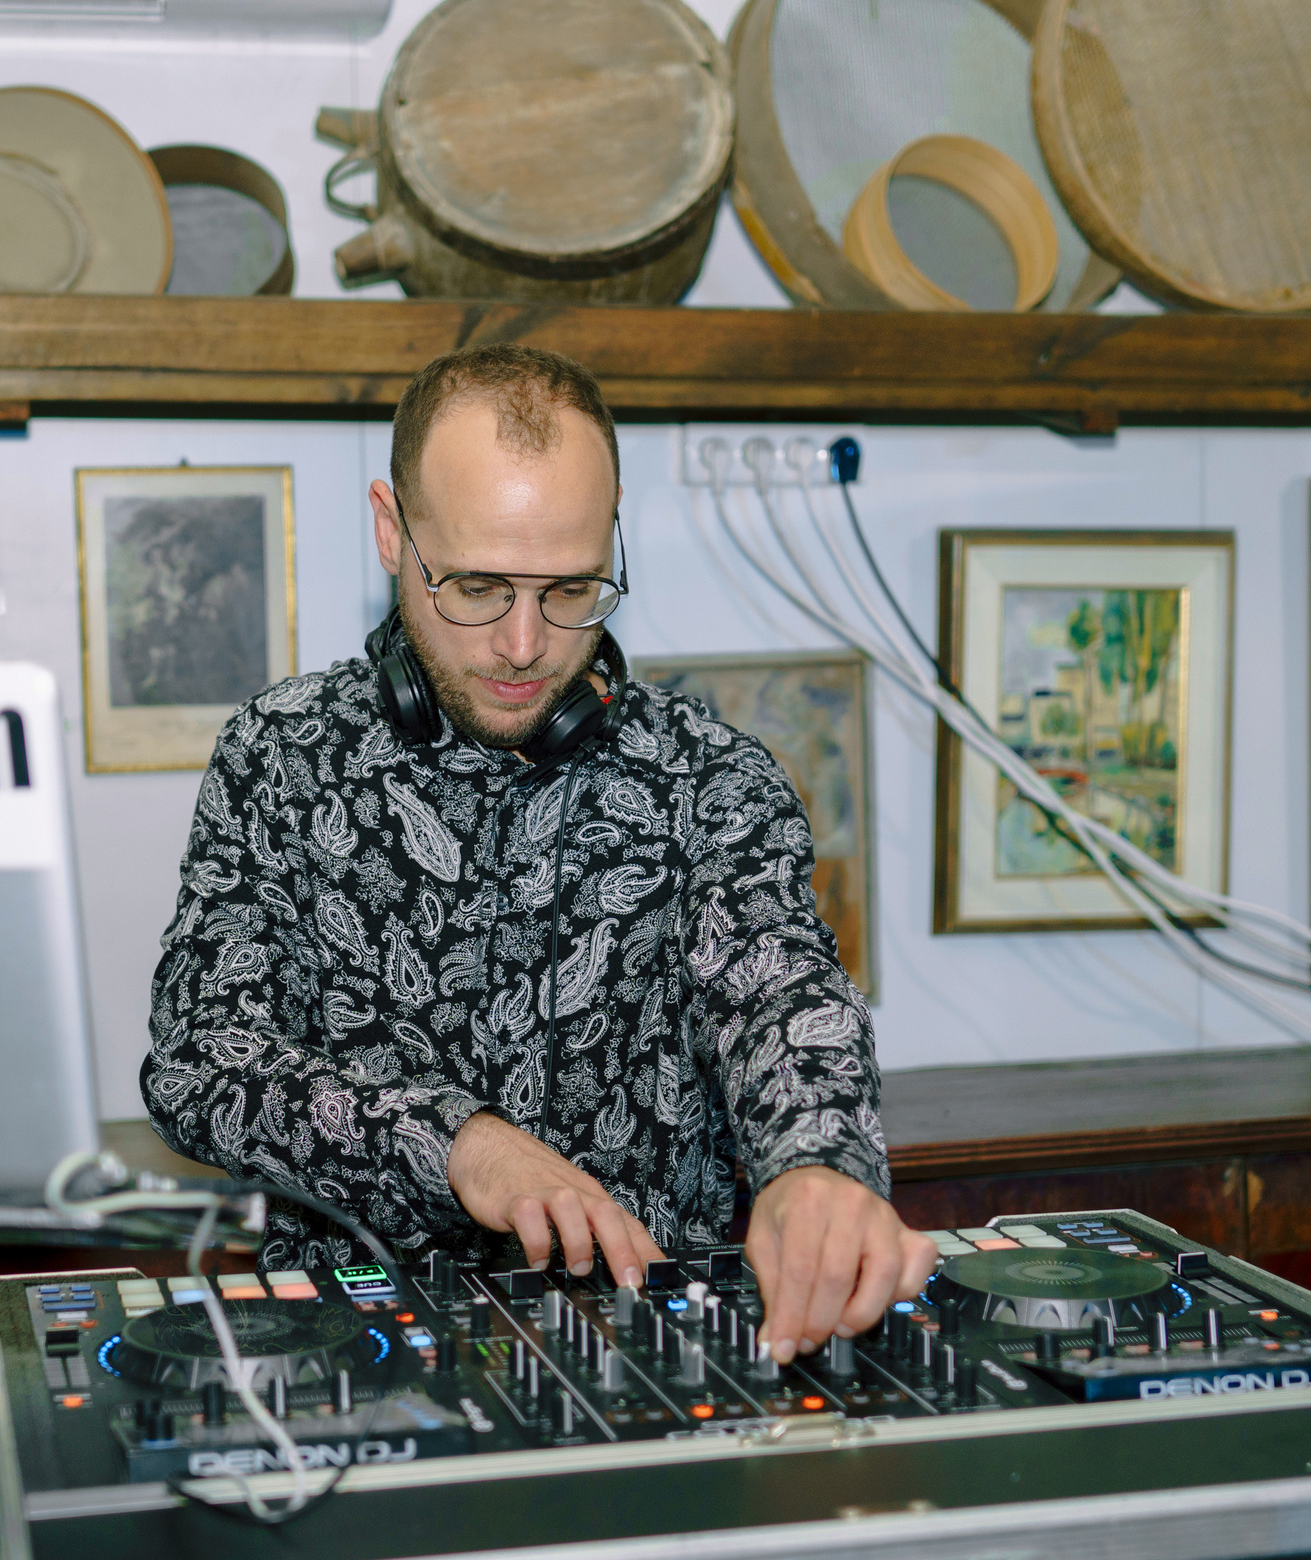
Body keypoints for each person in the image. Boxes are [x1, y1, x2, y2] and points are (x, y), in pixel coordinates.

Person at [143, 344, 937, 1362]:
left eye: (570, 590)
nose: (523, 644)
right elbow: (199, 1059)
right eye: (476, 586)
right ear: (393, 532)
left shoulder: (711, 778)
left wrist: (816, 1164)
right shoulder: (277, 756)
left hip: (648, 1351)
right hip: (353, 1359)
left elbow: (782, 997)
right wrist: (454, 1143)